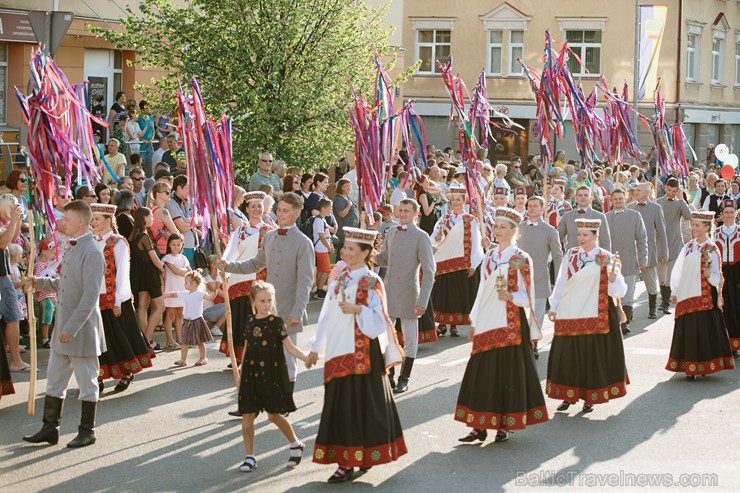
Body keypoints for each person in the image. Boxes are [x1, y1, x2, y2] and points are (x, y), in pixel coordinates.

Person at [306, 227, 406, 483]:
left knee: (362, 405)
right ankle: (347, 458)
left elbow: (381, 322)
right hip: (339, 349)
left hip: (363, 353)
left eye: (351, 248)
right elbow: (326, 315)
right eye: (345, 247)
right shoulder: (339, 279)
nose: (345, 251)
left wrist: (358, 309)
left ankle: (353, 460)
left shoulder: (372, 280)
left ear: (365, 252)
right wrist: (316, 347)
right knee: (341, 406)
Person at [455, 207, 548, 443]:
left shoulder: (520, 258)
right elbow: (482, 290)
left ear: (513, 230)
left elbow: (529, 295)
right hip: (488, 320)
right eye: (496, 226)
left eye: (502, 227)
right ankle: (479, 424)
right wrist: (474, 321)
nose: (497, 231)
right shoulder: (490, 256)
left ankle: (504, 424)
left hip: (511, 323)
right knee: (482, 373)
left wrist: (511, 297)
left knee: (507, 373)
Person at [217, 192, 314, 413]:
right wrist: (229, 266)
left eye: (286, 210)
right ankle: (251, 403)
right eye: (279, 209)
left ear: (297, 213)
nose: (280, 214)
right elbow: (255, 264)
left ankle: (285, 400)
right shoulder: (269, 237)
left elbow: (305, 281)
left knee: (287, 357)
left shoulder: (303, 242)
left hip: (290, 307)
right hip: (266, 309)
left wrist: (298, 311)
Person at [23, 200, 105, 448]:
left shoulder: (92, 251)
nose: (61, 223)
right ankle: (50, 429)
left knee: (87, 382)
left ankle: (87, 431)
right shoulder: (73, 247)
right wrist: (38, 281)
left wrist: (72, 327)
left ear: (80, 221)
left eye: (66, 219)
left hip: (80, 330)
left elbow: (90, 295)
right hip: (63, 330)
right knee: (55, 380)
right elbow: (64, 283)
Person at [547, 218, 629, 413]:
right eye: (579, 235)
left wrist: (613, 279)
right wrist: (554, 306)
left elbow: (620, 291)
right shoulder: (571, 254)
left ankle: (589, 397)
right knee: (569, 355)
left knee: (591, 355)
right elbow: (561, 281)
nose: (581, 239)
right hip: (571, 310)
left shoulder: (606, 257)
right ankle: (568, 396)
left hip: (596, 312)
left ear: (595, 236)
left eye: (585, 235)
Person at [237, 281, 312, 473]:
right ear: (253, 301)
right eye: (262, 300)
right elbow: (246, 347)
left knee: (274, 416)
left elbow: (290, 347)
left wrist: (306, 358)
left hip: (271, 375)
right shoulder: (250, 321)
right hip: (251, 375)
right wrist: (240, 373)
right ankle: (249, 456)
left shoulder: (276, 323)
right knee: (247, 416)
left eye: (269, 300)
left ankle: (295, 444)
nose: (266, 304)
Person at [90, 203, 154, 394]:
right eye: (92, 218)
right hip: (95, 298)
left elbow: (123, 273)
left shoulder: (118, 242)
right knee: (99, 340)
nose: (92, 222)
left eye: (97, 219)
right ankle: (99, 376)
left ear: (108, 220)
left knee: (120, 337)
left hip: (116, 298)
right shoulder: (91, 241)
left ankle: (127, 371)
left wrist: (118, 300)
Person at [376, 198, 435, 393]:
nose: (402, 214)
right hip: (389, 291)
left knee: (410, 339)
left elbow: (429, 271)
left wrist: (422, 301)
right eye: (400, 210)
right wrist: (365, 249)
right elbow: (383, 259)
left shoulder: (421, 236)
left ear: (415, 214)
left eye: (406, 211)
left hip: (410, 293)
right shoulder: (391, 232)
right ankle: (389, 374)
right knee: (386, 337)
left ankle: (404, 377)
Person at [667, 211, 735, 379]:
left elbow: (717, 278)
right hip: (687, 295)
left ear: (706, 227)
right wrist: (674, 291)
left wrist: (707, 275)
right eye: (693, 225)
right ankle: (689, 367)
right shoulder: (689, 246)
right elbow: (678, 269)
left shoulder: (712, 248)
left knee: (704, 331)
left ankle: (704, 366)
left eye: (697, 225)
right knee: (689, 331)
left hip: (704, 298)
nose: (694, 228)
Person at [218, 191, 275, 363]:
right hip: (238, 278)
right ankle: (238, 356)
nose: (257, 209)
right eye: (253, 206)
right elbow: (231, 253)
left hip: (259, 279)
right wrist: (224, 270)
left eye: (260, 206)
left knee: (256, 317)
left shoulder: (270, 231)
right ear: (247, 209)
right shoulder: (240, 231)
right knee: (238, 317)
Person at [430, 186, 484, 337]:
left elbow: (476, 241)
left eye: (458, 200)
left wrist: (474, 264)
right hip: (445, 260)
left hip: (462, 262)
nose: (455, 202)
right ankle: (441, 325)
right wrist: (437, 238)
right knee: (444, 294)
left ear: (464, 201)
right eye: (453, 200)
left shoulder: (470, 220)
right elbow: (434, 237)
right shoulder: (444, 218)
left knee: (456, 295)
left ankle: (454, 325)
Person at [518, 196, 563, 354]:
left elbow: (558, 256)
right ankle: (520, 343)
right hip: (518, 279)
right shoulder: (519, 227)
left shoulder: (550, 231)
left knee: (537, 315)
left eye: (535, 206)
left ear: (542, 208)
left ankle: (533, 343)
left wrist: (559, 278)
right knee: (520, 314)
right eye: (529, 205)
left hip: (540, 278)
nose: (532, 208)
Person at [605, 188, 648, 335]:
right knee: (613, 294)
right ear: (612, 201)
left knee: (628, 296)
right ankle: (615, 321)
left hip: (630, 261)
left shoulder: (635, 216)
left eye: (620, 198)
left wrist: (643, 258)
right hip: (611, 265)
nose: (618, 201)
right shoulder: (606, 218)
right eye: (615, 199)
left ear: (625, 199)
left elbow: (642, 239)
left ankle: (625, 322)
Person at [628, 182, 668, 319]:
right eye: (635, 190)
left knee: (650, 281)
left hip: (648, 249)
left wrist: (665, 252)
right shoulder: (629, 208)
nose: (636, 192)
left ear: (647, 192)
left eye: (639, 190)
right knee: (630, 283)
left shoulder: (656, 208)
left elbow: (662, 232)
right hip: (631, 251)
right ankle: (628, 311)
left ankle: (652, 308)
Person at [128, 207, 166, 352]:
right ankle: (147, 340)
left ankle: (144, 338)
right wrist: (163, 271)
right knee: (160, 307)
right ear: (144, 218)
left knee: (142, 306)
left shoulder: (133, 235)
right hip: (149, 274)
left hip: (139, 275)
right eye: (151, 216)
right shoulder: (143, 236)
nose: (153, 219)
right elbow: (155, 259)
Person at [656, 177, 692, 315]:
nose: (671, 193)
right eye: (669, 190)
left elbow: (688, 216)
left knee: (671, 275)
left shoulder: (679, 203)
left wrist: (681, 199)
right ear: (665, 188)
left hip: (675, 242)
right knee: (662, 276)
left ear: (678, 190)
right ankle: (663, 298)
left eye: (674, 191)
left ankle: (665, 302)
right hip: (660, 242)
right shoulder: (658, 203)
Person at [0, 196, 26, 372]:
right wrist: (14, 221)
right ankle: (15, 361)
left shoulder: (4, 224)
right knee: (13, 316)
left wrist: (16, 221)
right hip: (1, 277)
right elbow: (2, 243)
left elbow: (11, 238)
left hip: (4, 275)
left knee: (13, 317)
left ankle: (15, 361)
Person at [166, 270, 213, 367]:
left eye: (186, 283)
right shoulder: (185, 293)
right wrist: (168, 294)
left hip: (198, 321)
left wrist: (215, 291)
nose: (184, 284)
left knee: (200, 341)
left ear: (194, 284)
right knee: (185, 341)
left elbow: (209, 297)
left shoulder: (200, 294)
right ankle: (183, 359)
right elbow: (175, 294)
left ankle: (203, 357)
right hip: (187, 321)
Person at [714, 200, 740, 355]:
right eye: (726, 212)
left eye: (732, 212)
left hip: (738, 271)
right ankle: (729, 343)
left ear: (736, 214)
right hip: (721, 271)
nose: (729, 215)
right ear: (721, 215)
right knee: (725, 306)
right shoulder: (715, 232)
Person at [558, 185, 611, 252]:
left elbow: (605, 242)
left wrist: (605, 260)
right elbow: (557, 238)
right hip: (572, 258)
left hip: (593, 259)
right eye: (580, 195)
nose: (583, 197)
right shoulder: (567, 216)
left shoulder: (600, 217)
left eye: (586, 195)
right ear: (576, 197)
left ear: (590, 198)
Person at [162, 234, 189, 349]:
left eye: (178, 244)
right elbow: (176, 271)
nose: (176, 247)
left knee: (179, 314)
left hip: (181, 289)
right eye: (173, 244)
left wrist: (184, 271)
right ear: (169, 245)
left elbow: (189, 270)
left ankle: (180, 338)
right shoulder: (167, 258)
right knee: (170, 314)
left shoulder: (183, 258)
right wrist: (185, 271)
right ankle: (170, 340)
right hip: (171, 288)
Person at [34, 238, 60, 349]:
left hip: (53, 295)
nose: (54, 253)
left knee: (57, 315)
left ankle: (54, 337)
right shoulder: (39, 265)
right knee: (47, 316)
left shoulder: (51, 265)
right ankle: (45, 339)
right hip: (44, 296)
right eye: (52, 251)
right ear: (44, 252)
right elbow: (38, 280)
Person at [149, 182, 179, 256]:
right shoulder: (163, 211)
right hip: (166, 250)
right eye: (167, 192)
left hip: (157, 249)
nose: (170, 195)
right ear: (158, 194)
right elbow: (176, 233)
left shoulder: (152, 209)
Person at [312, 198, 334, 298]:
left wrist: (330, 245)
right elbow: (321, 236)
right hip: (321, 249)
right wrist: (329, 247)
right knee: (326, 270)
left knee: (322, 270)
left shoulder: (322, 220)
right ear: (323, 208)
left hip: (323, 248)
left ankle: (318, 288)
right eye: (329, 208)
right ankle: (319, 289)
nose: (330, 210)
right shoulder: (319, 220)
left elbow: (326, 234)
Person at [332, 178, 359, 253]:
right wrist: (349, 205)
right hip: (344, 233)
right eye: (346, 186)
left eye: (350, 186)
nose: (349, 188)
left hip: (351, 232)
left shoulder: (347, 197)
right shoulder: (338, 199)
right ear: (341, 187)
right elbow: (341, 214)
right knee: (343, 254)